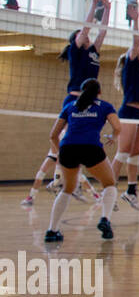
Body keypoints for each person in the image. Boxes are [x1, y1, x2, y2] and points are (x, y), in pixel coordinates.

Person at [22, 0, 108, 208]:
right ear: (77, 39)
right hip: (73, 99)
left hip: (91, 101)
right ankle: (63, 178)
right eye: (82, 35)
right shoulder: (76, 49)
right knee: (65, 140)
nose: (86, 36)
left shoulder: (93, 52)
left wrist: (106, 8)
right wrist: (94, 3)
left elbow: (103, 32)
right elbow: (88, 29)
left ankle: (70, 180)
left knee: (82, 140)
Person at [45, 78, 121, 242]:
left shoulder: (70, 106)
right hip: (90, 147)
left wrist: (60, 154)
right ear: (99, 92)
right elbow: (118, 127)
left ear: (81, 91)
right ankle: (105, 220)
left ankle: (52, 231)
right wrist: (113, 137)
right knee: (109, 183)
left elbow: (53, 135)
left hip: (68, 148)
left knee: (67, 189)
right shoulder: (105, 106)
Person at [112, 9, 139, 210]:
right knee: (123, 152)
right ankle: (108, 189)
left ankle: (131, 191)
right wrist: (136, 20)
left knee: (136, 153)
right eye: (135, 51)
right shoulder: (130, 65)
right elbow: (137, 42)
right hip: (128, 112)